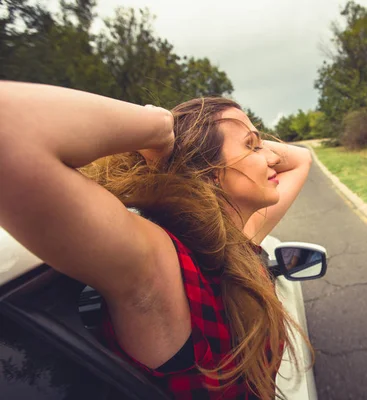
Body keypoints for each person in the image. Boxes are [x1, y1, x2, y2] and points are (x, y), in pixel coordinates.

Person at [0, 81, 313, 399]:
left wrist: (235, 138)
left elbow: (302, 159)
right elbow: (7, 123)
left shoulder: (237, 240)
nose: (273, 157)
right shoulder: (163, 270)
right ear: (211, 174)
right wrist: (161, 128)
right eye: (254, 145)